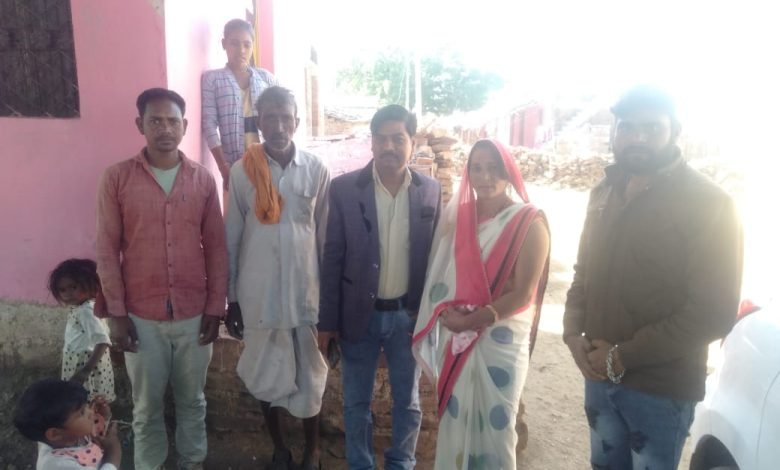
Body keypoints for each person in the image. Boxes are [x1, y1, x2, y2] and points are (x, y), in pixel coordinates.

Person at [563, 85, 743, 469]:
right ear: (615, 132)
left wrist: (621, 356)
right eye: (627, 127)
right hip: (598, 379)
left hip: (660, 392)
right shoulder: (604, 192)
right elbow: (583, 271)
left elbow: (713, 313)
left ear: (675, 132)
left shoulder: (709, 204)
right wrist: (572, 333)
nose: (638, 138)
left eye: (652, 128)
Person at [96, 88, 228, 470]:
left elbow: (217, 248)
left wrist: (215, 308)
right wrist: (117, 314)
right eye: (155, 121)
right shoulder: (117, 178)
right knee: (146, 406)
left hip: (193, 313)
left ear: (185, 126)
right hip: (140, 315)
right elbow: (107, 249)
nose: (165, 129)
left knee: (193, 401)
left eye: (172, 121)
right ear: (140, 125)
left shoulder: (203, 180)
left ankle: (192, 462)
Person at [412, 139, 551, 469]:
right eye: (477, 168)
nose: (485, 177)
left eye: (494, 168)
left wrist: (472, 321)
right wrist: (446, 311)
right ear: (468, 173)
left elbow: (524, 294)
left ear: (508, 172)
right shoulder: (458, 218)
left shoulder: (529, 223)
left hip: (500, 341)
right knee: (455, 420)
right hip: (457, 337)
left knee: (498, 428)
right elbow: (439, 276)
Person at [319, 104, 441, 470]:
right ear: (371, 142)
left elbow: (438, 258)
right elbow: (332, 258)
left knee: (408, 401)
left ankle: (401, 463)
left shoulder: (429, 191)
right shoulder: (344, 189)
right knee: (356, 402)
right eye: (382, 139)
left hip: (408, 317)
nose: (389, 146)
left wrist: (433, 315)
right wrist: (327, 323)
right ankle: (360, 464)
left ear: (412, 142)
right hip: (359, 316)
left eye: (398, 139)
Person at [224, 86, 330, 470]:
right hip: (259, 296)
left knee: (311, 376)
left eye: (286, 118)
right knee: (264, 373)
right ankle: (280, 449)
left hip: (306, 296)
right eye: (271, 118)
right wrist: (232, 299)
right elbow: (232, 238)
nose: (279, 126)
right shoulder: (241, 172)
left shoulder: (316, 169)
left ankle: (312, 450)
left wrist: (329, 302)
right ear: (259, 122)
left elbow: (325, 237)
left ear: (297, 122)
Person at [202, 18, 278, 190]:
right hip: (234, 166)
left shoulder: (266, 79)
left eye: (247, 44)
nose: (241, 50)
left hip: (268, 162)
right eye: (234, 43)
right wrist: (223, 167)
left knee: (270, 204)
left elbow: (281, 115)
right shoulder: (213, 80)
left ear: (252, 46)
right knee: (237, 206)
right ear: (224, 44)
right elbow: (209, 125)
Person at [14, 378, 121, 470]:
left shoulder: (70, 435)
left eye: (86, 406)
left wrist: (103, 418)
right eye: (82, 412)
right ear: (55, 434)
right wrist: (113, 453)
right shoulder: (55, 465)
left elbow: (96, 435)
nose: (90, 412)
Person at [48, 258, 115, 403]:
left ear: (90, 284)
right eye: (62, 290)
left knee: (89, 403)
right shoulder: (79, 308)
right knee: (83, 403)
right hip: (79, 362)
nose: (68, 293)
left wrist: (86, 370)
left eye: (73, 287)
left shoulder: (87, 310)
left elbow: (102, 341)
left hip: (87, 365)